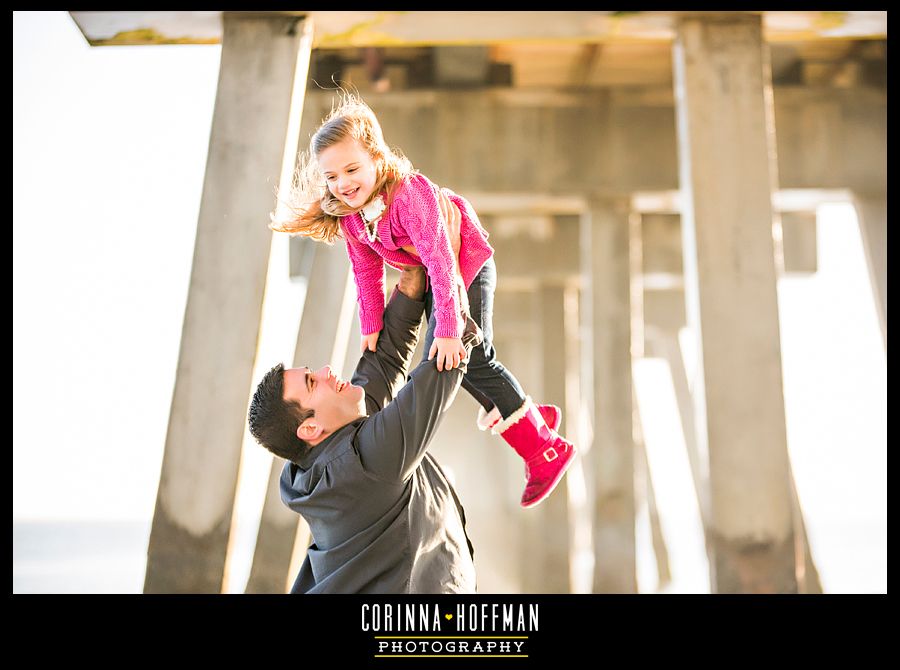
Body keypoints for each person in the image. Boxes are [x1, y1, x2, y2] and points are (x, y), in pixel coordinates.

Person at [270, 92, 576, 508]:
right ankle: (532, 420)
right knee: (465, 365)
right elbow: (365, 272)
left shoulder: (408, 195)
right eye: (331, 177)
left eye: (352, 169)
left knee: (471, 356)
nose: (342, 184)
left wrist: (449, 331)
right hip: (439, 278)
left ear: (377, 158)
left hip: (463, 264)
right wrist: (372, 325)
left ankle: (545, 448)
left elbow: (440, 258)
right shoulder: (351, 217)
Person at [248, 264, 482, 593]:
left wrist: (410, 286)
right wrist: (446, 273)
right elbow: (442, 367)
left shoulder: (335, 451)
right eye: (313, 382)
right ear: (311, 428)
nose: (328, 370)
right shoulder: (365, 467)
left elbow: (383, 363)